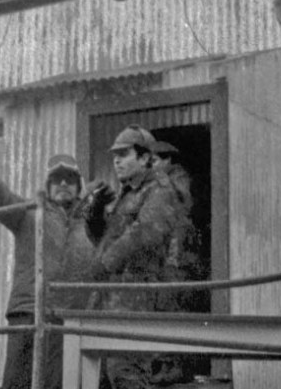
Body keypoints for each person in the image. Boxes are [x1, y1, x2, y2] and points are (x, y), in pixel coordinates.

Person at [0, 151, 96, 389]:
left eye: (70, 179)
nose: (64, 184)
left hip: (67, 317)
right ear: (48, 186)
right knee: (17, 381)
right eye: (57, 179)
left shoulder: (90, 222)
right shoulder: (28, 213)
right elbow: (0, 198)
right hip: (28, 311)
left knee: (57, 383)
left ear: (79, 186)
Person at [85, 126, 184, 388]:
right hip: (109, 301)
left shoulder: (160, 191)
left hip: (136, 302)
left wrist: (106, 262)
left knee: (126, 374)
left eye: (124, 154)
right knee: (105, 377)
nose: (116, 160)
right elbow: (102, 240)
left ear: (144, 158)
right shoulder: (127, 194)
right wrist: (94, 214)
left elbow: (146, 233)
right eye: (114, 155)